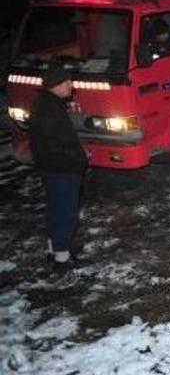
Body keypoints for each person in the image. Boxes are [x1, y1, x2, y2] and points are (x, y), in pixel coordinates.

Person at [28, 63, 88, 273]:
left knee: (55, 208)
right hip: (62, 170)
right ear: (56, 85)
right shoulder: (50, 110)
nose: (71, 85)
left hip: (52, 168)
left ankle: (54, 248)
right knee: (66, 212)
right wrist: (77, 158)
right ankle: (62, 259)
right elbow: (54, 144)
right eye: (67, 82)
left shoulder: (46, 104)